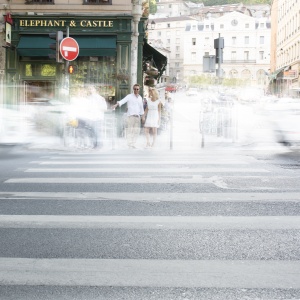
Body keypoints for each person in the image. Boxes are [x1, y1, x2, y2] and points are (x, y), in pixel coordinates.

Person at [112, 84, 144, 148]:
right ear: (133, 89)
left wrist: (142, 116)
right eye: (135, 89)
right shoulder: (129, 96)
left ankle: (133, 143)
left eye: (137, 89)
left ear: (139, 90)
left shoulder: (140, 98)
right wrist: (116, 105)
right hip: (130, 116)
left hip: (137, 116)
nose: (136, 90)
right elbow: (123, 101)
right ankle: (129, 144)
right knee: (130, 130)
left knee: (136, 131)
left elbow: (141, 107)